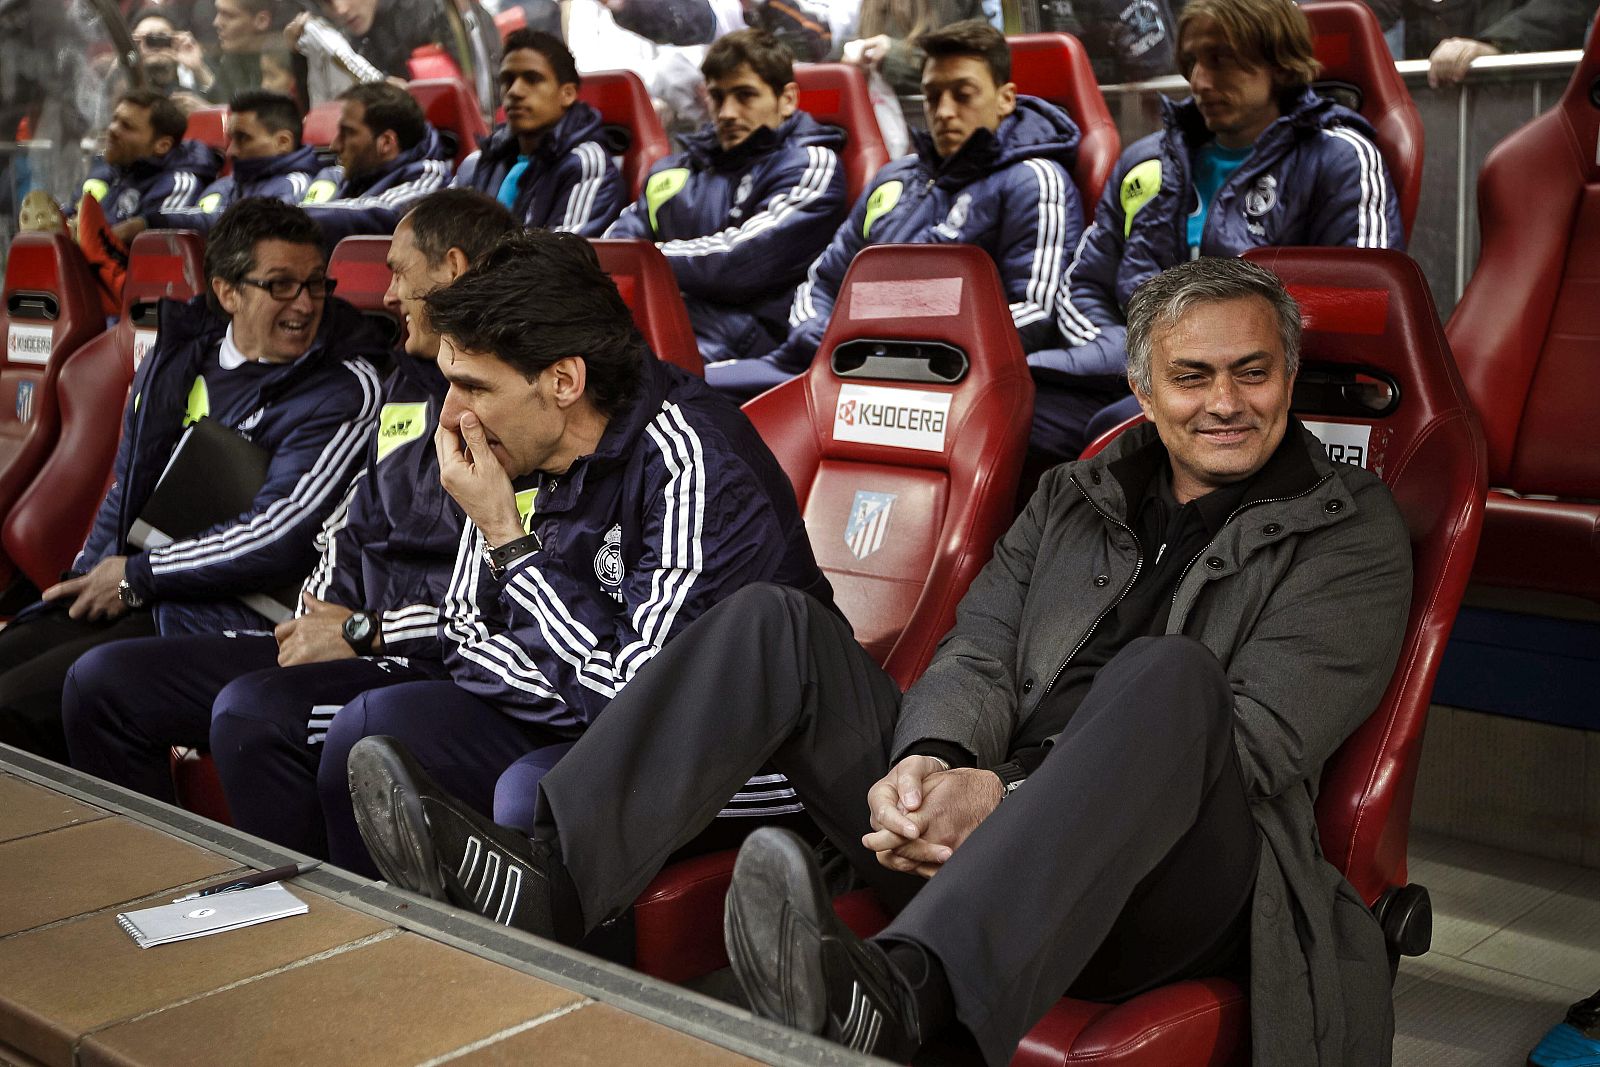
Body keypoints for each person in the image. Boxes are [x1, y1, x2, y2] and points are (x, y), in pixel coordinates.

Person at [348, 256, 1414, 1064]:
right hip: (976, 808)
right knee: (775, 619)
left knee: (1168, 673)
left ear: (1288, 377)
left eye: (1251, 372)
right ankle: (550, 880)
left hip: (1172, 877)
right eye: (1191, 375)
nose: (1223, 402)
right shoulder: (1077, 493)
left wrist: (1003, 796)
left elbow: (1258, 741)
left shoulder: (1348, 529)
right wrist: (932, 758)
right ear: (1142, 382)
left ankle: (908, 997)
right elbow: (978, 648)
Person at [325, 228, 833, 875]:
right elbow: (462, 631)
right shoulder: (522, 443)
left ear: (563, 379)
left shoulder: (690, 459)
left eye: (474, 387)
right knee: (370, 727)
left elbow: (639, 700)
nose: (452, 417)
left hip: (751, 747)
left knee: (538, 793)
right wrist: (577, 675)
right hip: (609, 712)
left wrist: (510, 542)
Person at [62, 191, 514, 860]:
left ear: (450, 268)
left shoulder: (514, 398)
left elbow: (497, 587)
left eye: (396, 273)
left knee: (253, 712)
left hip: (424, 652)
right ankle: (156, 884)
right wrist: (318, 612)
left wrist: (360, 631)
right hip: (348, 627)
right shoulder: (411, 381)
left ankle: (300, 927)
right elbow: (347, 521)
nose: (383, 295)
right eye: (282, 286)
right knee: (101, 682)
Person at [0, 198, 387, 764]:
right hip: (147, 592)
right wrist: (89, 579)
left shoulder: (343, 387)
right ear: (228, 292)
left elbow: (280, 534)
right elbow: (127, 485)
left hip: (227, 615)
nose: (304, 304)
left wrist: (135, 575)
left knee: (17, 704)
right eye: (280, 286)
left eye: (314, 284)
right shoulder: (178, 356)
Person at [1059, 0, 1404, 457]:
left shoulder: (1338, 158)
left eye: (1221, 59)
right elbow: (1081, 285)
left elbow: (1360, 318)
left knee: (1113, 438)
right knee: (1004, 408)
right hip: (1131, 376)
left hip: (1256, 394)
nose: (1200, 80)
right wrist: (1139, 363)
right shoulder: (1146, 160)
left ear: (1277, 63)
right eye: (1193, 62)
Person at [705, 19, 1083, 403]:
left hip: (942, 377)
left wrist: (895, 345)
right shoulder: (895, 178)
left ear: (1005, 98)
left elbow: (1034, 310)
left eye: (963, 94)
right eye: (933, 96)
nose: (944, 111)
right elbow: (823, 280)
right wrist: (816, 332)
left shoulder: (1033, 180)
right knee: (692, 392)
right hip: (831, 361)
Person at [605, 28, 849, 364]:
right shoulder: (674, 171)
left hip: (752, 340)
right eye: (718, 97)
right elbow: (619, 245)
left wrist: (643, 261)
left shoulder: (810, 164)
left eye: (745, 95)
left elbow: (738, 262)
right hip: (668, 321)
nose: (727, 113)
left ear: (787, 99)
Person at [451, 30, 626, 235]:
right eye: (507, 79)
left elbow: (560, 260)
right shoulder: (479, 162)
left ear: (567, 94)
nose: (514, 91)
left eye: (532, 79)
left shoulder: (584, 164)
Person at [123, 90, 320, 237]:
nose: (231, 151)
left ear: (283, 142)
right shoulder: (225, 185)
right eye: (231, 139)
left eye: (243, 138)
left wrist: (156, 222)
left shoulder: (296, 186)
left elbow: (258, 232)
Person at [300, 82, 454, 245]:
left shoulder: (429, 178)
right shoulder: (342, 174)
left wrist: (284, 217)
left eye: (348, 132)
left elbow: (384, 213)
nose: (335, 145)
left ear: (386, 142)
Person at [75, 89, 222, 233]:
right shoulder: (115, 172)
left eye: (127, 126)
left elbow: (152, 250)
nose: (112, 129)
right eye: (114, 120)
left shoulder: (176, 185)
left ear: (162, 145)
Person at [837, 0, 987, 99]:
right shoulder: (871, 5)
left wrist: (892, 55)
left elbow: (974, 65)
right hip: (883, 118)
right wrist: (851, 63)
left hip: (934, 120)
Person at [209, 0, 282, 103]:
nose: (216, 23)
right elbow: (219, 100)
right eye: (218, 12)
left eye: (229, 16)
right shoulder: (232, 57)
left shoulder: (281, 61)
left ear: (262, 21)